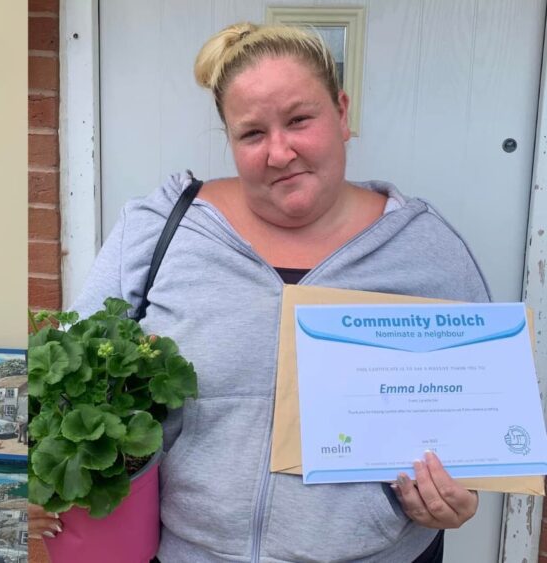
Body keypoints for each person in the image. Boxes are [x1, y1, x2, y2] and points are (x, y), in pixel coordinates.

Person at [30, 22, 485, 562]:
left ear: (342, 113)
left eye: (299, 120)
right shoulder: (161, 229)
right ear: (230, 140)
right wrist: (29, 470)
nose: (279, 152)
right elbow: (64, 378)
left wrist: (459, 497)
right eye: (252, 134)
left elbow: (477, 420)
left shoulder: (426, 250)